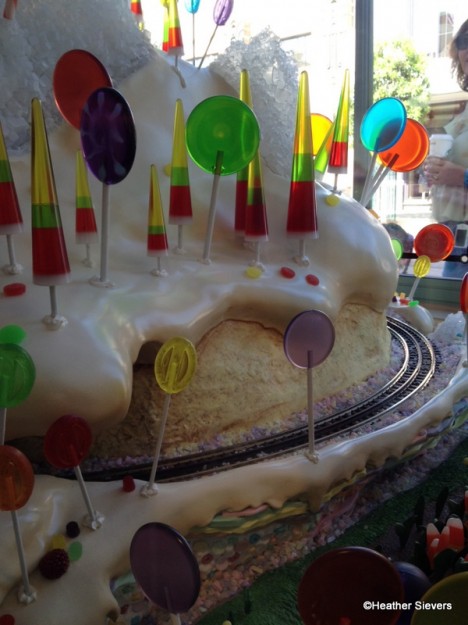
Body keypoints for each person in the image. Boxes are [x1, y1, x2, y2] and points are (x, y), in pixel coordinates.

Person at [424, 19, 468, 278]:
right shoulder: (464, 112)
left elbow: (458, 173)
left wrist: (461, 177)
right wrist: (432, 169)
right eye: (464, 41)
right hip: (452, 238)